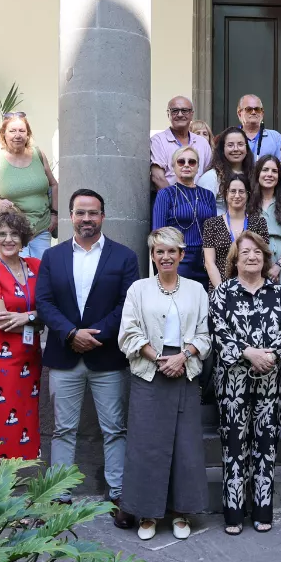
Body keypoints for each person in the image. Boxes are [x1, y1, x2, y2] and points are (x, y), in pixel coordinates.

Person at [35, 189, 140, 518]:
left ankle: (118, 492)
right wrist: (70, 334)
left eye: (93, 213)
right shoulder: (52, 258)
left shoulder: (124, 257)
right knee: (63, 429)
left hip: (106, 355)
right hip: (65, 357)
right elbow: (44, 302)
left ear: (103, 217)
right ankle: (60, 493)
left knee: (114, 428)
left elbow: (128, 304)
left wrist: (96, 335)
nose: (86, 219)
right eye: (80, 213)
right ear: (70, 216)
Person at [117, 227, 211, 541]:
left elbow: (205, 335)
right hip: (149, 371)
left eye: (172, 251)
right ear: (153, 256)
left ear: (182, 255)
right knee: (147, 447)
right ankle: (147, 515)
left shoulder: (197, 290)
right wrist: (158, 358)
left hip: (184, 372)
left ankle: (181, 513)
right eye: (159, 251)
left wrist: (182, 356)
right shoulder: (138, 289)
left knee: (185, 447)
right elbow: (128, 332)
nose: (166, 257)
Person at [209, 231, 281, 534]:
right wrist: (248, 353)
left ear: (265, 257)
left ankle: (262, 511)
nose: (252, 256)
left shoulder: (279, 293)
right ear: (235, 259)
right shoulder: (222, 293)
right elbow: (218, 333)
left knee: (266, 446)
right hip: (232, 384)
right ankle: (233, 514)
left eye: (257, 252)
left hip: (270, 382)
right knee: (234, 447)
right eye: (245, 252)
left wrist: (268, 357)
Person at [0, 209, 42, 460]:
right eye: (2, 234)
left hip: (30, 356)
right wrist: (38, 317)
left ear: (23, 238)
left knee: (27, 416)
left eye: (14, 234)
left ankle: (21, 481)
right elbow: (0, 320)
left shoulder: (37, 266)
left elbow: (51, 308)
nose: (8, 239)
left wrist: (28, 317)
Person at [0, 112, 59, 259]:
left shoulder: (38, 155)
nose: (18, 135)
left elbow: (54, 185)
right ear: (3, 134)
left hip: (42, 226)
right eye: (12, 131)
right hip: (13, 230)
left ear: (28, 134)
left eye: (22, 131)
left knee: (41, 272)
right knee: (18, 273)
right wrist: (0, 203)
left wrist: (55, 214)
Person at [152, 146, 218, 283]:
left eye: (192, 162)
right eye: (181, 162)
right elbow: (158, 233)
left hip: (205, 259)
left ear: (198, 167)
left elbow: (213, 231)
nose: (186, 165)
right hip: (178, 259)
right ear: (173, 166)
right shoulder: (166, 194)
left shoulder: (208, 195)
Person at [202, 174, 270, 289]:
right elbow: (209, 263)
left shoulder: (259, 223)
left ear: (248, 195)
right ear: (226, 194)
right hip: (220, 287)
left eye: (241, 191)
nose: (237, 195)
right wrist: (223, 291)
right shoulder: (211, 224)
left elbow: (263, 259)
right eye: (233, 191)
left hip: (252, 289)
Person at [248, 155, 281, 281]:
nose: (269, 174)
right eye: (265, 170)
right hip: (253, 257)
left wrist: (278, 265)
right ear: (258, 173)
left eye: (274, 171)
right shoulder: (247, 203)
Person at [150, 96, 213, 190]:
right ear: (168, 114)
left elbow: (208, 175)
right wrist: (177, 201)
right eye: (175, 110)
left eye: (184, 110)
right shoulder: (158, 140)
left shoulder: (202, 143)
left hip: (198, 201)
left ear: (191, 114)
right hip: (169, 201)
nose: (179, 114)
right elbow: (157, 177)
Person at [198, 127, 256, 211]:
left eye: (240, 144)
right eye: (230, 145)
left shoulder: (254, 175)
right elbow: (202, 211)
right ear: (222, 149)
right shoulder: (211, 177)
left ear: (246, 148)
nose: (236, 149)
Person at [237, 93, 281, 160]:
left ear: (262, 113)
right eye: (249, 109)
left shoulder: (275, 137)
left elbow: (280, 166)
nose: (253, 112)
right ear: (239, 114)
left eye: (257, 109)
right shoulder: (230, 137)